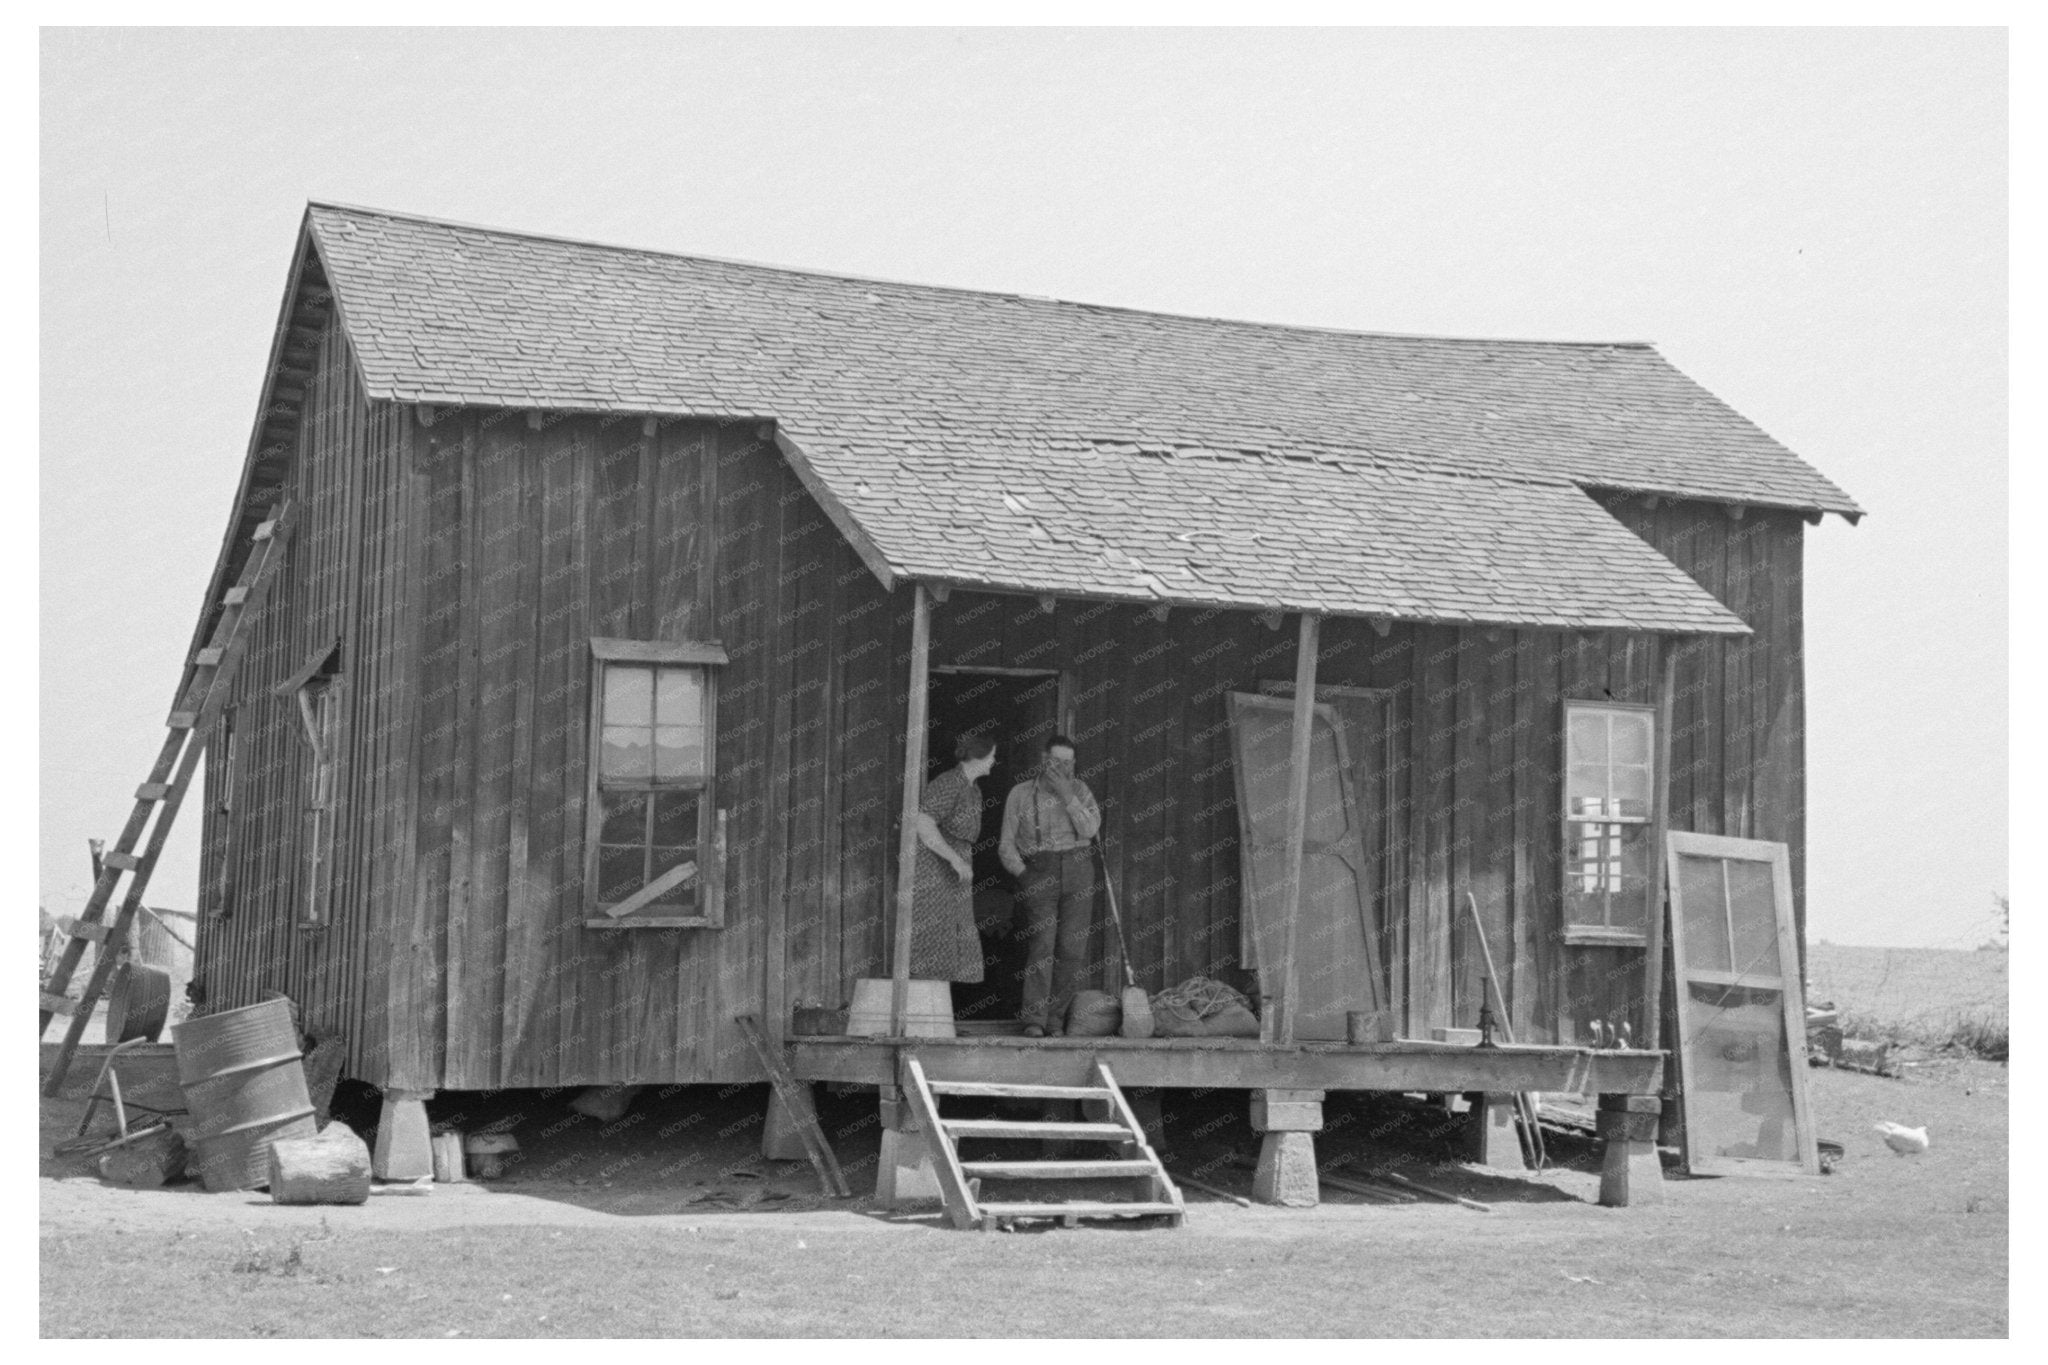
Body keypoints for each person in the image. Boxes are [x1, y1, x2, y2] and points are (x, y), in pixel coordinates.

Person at [998, 734, 1103, 1036]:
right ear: (1044, 761)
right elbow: (1005, 845)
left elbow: (1091, 829)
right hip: (1038, 871)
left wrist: (1067, 795)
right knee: (1042, 945)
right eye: (1056, 761)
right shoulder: (1020, 794)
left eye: (1068, 762)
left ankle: (1055, 1020)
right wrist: (1024, 875)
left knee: (1072, 948)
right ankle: (1035, 1020)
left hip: (1079, 869)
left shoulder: (1081, 791)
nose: (1063, 768)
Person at [909, 733, 998, 983]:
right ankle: (923, 1015)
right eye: (991, 756)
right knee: (934, 936)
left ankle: (937, 1014)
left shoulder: (972, 789)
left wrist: (960, 861)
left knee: (953, 937)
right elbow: (924, 823)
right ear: (977, 758)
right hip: (935, 870)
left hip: (956, 869)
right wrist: (954, 859)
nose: (993, 761)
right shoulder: (948, 783)